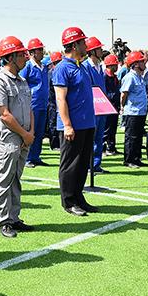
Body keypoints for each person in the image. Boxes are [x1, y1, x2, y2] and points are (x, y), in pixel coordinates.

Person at [0, 36, 34, 238]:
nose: (25, 57)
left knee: (16, 178)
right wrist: (25, 133)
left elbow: (29, 108)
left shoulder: (22, 81)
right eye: (21, 54)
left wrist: (30, 132)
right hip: (9, 137)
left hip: (24, 136)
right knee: (5, 178)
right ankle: (4, 220)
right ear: (11, 57)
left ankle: (14, 217)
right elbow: (4, 115)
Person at [53, 27, 97, 216]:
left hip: (87, 124)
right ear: (74, 45)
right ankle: (69, 201)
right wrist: (68, 125)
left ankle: (79, 197)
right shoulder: (62, 68)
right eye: (82, 42)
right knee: (70, 165)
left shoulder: (82, 66)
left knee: (82, 164)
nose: (86, 45)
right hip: (72, 125)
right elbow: (60, 99)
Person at [20, 38, 50, 167]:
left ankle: (36, 156)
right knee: (30, 131)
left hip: (43, 104)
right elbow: (21, 82)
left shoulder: (44, 67)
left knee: (40, 132)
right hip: (32, 104)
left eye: (42, 50)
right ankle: (27, 158)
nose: (42, 52)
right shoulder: (28, 66)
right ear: (32, 52)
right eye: (39, 50)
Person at [83, 36, 108, 173]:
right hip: (92, 108)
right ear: (92, 51)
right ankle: (88, 165)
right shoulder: (86, 67)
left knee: (99, 137)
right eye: (99, 49)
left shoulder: (100, 67)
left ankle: (96, 164)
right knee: (91, 137)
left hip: (102, 107)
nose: (101, 51)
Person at [120, 51, 147, 168]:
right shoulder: (130, 77)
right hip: (132, 112)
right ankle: (129, 160)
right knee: (131, 137)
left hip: (140, 111)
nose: (144, 63)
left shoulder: (139, 77)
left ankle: (137, 158)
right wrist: (122, 107)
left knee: (138, 137)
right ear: (135, 64)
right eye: (141, 61)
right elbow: (124, 94)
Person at [103, 53, 121, 156]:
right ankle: (103, 148)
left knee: (113, 128)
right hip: (107, 107)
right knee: (106, 129)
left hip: (115, 106)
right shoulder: (104, 77)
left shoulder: (115, 77)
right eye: (115, 65)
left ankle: (111, 147)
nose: (117, 66)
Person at [47, 51, 62, 151]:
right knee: (53, 123)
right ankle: (54, 144)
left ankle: (58, 143)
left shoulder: (58, 72)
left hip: (57, 101)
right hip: (52, 102)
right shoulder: (51, 73)